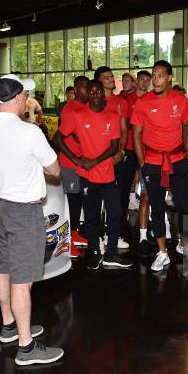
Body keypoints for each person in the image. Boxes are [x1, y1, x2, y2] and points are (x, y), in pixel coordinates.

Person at [0, 74, 64, 366]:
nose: (27, 98)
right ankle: (26, 347)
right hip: (24, 212)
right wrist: (35, 167)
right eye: (25, 94)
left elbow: (8, 160)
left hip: (0, 206)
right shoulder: (29, 132)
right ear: (16, 99)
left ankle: (9, 326)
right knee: (22, 280)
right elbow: (55, 170)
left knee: (3, 268)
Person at [54, 80, 133, 270]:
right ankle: (95, 253)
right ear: (88, 94)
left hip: (107, 174)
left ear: (102, 93)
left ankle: (111, 253)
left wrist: (94, 161)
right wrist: (76, 160)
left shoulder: (112, 115)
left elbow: (114, 146)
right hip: (87, 175)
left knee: (115, 213)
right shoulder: (77, 115)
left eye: (99, 91)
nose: (96, 94)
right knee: (91, 216)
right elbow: (57, 137)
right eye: (93, 91)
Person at [132, 60, 188, 271]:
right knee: (157, 209)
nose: (155, 79)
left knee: (185, 207)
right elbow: (136, 135)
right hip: (153, 162)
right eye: (153, 75)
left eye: (160, 76)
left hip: (177, 161)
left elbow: (187, 130)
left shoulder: (182, 101)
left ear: (169, 78)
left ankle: (183, 244)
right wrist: (143, 165)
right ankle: (162, 252)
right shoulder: (142, 103)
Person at [94, 66, 130, 249]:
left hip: (116, 157)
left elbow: (124, 130)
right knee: (97, 199)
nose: (110, 79)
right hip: (97, 159)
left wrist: (120, 151)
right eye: (106, 77)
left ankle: (114, 234)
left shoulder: (120, 102)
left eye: (111, 76)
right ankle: (98, 236)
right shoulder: (92, 102)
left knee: (118, 198)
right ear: (98, 82)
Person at [57, 77, 90, 250]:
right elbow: (59, 137)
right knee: (72, 201)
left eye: (88, 86)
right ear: (76, 90)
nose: (86, 90)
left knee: (81, 200)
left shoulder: (89, 106)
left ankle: (75, 233)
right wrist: (74, 158)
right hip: (70, 164)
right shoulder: (70, 108)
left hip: (84, 163)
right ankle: (67, 238)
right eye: (82, 87)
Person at [132, 70, 155, 254]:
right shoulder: (127, 100)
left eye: (149, 79)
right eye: (143, 79)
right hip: (130, 153)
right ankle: (142, 236)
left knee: (153, 196)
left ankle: (156, 229)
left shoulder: (152, 100)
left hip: (151, 155)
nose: (146, 82)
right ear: (136, 81)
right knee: (143, 195)